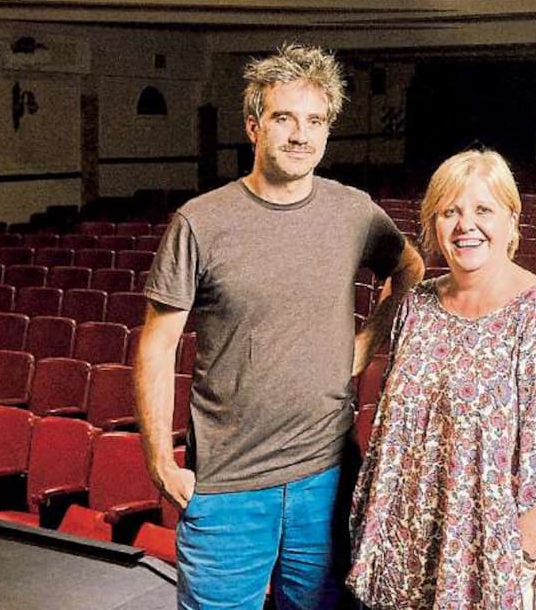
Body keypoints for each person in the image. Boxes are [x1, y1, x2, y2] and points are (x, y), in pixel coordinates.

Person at [134, 43, 424, 610]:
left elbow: (408, 267)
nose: (300, 134)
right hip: (226, 486)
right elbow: (156, 347)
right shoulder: (200, 222)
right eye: (284, 118)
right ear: (253, 126)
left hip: (325, 475)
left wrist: (369, 337)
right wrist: (160, 461)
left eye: (315, 121)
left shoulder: (353, 211)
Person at [348, 148, 536, 610]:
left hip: (491, 564)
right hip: (407, 550)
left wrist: (517, 565)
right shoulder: (417, 307)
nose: (466, 225)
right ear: (433, 224)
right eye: (450, 212)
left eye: (483, 210)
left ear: (510, 220)